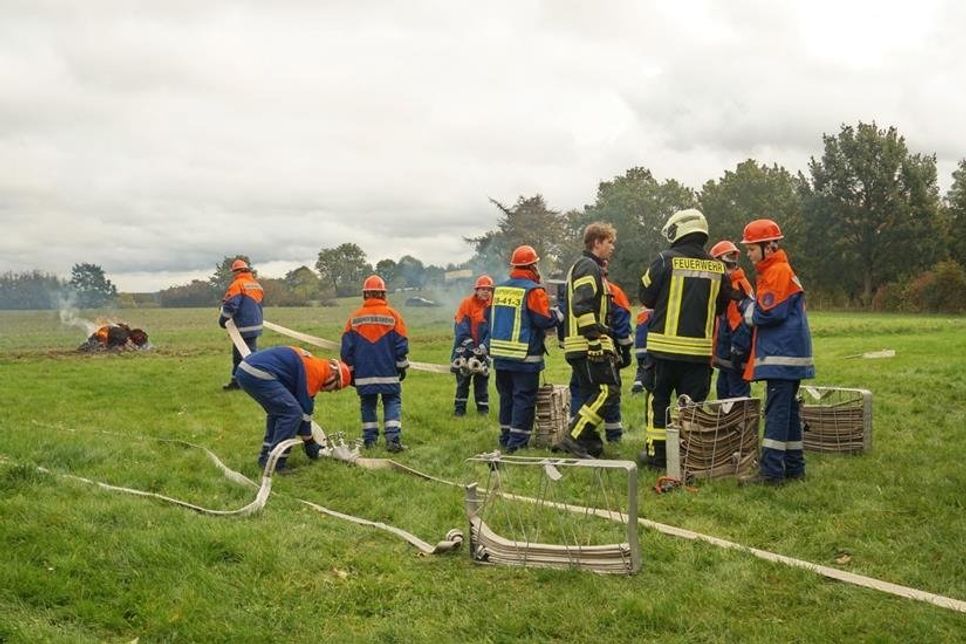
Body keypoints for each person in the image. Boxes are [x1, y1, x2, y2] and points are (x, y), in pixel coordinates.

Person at [638, 209, 730, 469]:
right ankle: (689, 457)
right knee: (692, 408)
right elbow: (722, 305)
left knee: (658, 402)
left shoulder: (664, 260)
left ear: (678, 230)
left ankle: (657, 456)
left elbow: (645, 295)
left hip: (663, 352)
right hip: (699, 355)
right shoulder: (719, 267)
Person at [738, 219, 815, 486]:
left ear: (767, 247)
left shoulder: (776, 271)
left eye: (750, 249)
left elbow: (768, 312)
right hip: (790, 354)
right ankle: (794, 467)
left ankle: (771, 472)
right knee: (789, 412)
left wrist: (744, 308)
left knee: (777, 412)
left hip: (782, 355)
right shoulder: (777, 270)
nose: (747, 255)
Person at [490, 245, 563, 452]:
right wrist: (558, 315)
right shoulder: (533, 290)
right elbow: (543, 320)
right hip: (525, 356)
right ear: (532, 266)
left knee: (507, 397)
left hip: (501, 356)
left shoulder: (500, 289)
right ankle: (517, 443)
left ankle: (505, 437)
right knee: (524, 398)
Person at [235, 345, 352, 472]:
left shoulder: (316, 365)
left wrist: (308, 440)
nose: (332, 392)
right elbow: (304, 410)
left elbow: (304, 408)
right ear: (334, 375)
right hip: (257, 373)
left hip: (248, 370)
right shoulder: (317, 371)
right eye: (336, 387)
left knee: (279, 412)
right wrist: (310, 443)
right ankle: (276, 464)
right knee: (291, 413)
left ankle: (266, 458)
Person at [557, 222, 619, 459]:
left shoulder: (589, 267)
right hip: (587, 345)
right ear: (597, 243)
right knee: (608, 391)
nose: (612, 247)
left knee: (591, 392)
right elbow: (582, 305)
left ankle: (590, 444)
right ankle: (574, 437)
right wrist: (594, 340)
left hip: (580, 344)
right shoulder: (587, 266)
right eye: (609, 242)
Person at [341, 275, 410, 452]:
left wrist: (350, 371)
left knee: (368, 403)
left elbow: (347, 348)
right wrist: (401, 367)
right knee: (392, 400)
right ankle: (393, 440)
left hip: (363, 374)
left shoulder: (354, 318)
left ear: (365, 295)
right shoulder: (393, 316)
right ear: (383, 294)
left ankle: (370, 440)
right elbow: (401, 345)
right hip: (389, 371)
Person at [568, 263, 633, 446]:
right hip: (602, 349)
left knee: (582, 391)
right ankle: (611, 435)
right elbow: (622, 328)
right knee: (609, 391)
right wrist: (625, 353)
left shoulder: (578, 288)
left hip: (578, 347)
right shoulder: (614, 293)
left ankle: (580, 435)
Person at [709, 240, 754, 399]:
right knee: (724, 393)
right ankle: (729, 424)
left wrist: (738, 351)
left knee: (736, 400)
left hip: (734, 357)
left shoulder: (734, 287)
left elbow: (740, 324)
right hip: (728, 358)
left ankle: (739, 424)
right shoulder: (736, 282)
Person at [218, 258, 264, 390]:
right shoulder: (256, 285)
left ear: (236, 272)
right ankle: (238, 381)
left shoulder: (237, 285)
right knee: (242, 354)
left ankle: (250, 381)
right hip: (256, 326)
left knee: (246, 356)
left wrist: (223, 321)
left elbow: (231, 306)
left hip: (243, 327)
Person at [451, 275, 494, 416]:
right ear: (476, 290)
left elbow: (493, 330)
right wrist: (470, 346)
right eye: (483, 289)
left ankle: (483, 412)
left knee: (482, 382)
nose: (486, 292)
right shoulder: (466, 304)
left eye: (488, 289)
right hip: (464, 350)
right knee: (463, 381)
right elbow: (460, 327)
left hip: (483, 351)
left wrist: (484, 347)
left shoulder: (493, 307)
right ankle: (459, 411)